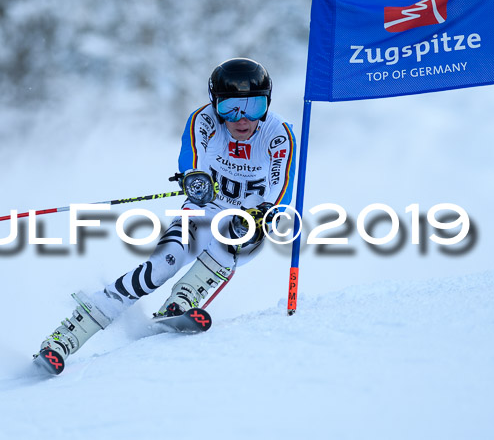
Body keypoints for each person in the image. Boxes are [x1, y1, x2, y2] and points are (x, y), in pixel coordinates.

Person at [35, 58, 297, 372]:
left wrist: (264, 213)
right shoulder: (204, 119)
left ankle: (183, 299)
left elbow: (282, 187)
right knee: (163, 263)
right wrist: (194, 177)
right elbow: (193, 157)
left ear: (267, 104)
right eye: (230, 108)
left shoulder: (278, 133)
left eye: (253, 106)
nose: (242, 120)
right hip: (205, 207)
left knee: (237, 234)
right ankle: (67, 336)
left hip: (247, 218)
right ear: (215, 105)